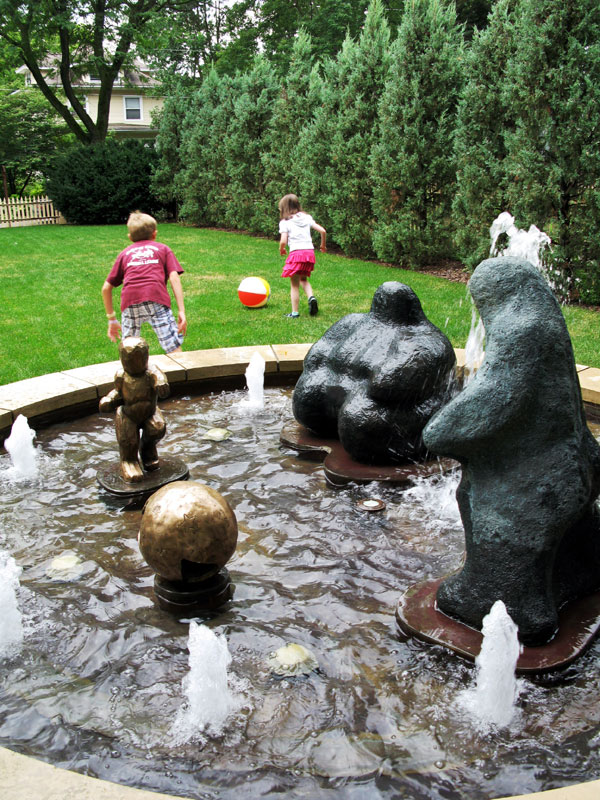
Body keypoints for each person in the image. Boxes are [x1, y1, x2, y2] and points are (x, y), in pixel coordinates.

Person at [101, 211, 187, 353]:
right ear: (154, 234)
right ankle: (179, 363)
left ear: (130, 237)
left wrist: (112, 319)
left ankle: (129, 366)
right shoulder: (163, 249)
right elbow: (174, 277)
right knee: (173, 346)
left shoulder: (124, 254)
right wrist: (181, 311)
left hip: (130, 301)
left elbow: (106, 288)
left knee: (129, 349)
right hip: (156, 298)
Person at [278, 194, 326, 318]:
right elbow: (323, 231)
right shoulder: (306, 217)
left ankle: (295, 313)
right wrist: (322, 245)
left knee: (294, 284)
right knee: (303, 279)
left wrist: (282, 249)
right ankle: (311, 297)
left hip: (296, 253)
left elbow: (283, 240)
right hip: (309, 253)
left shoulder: (285, 222)